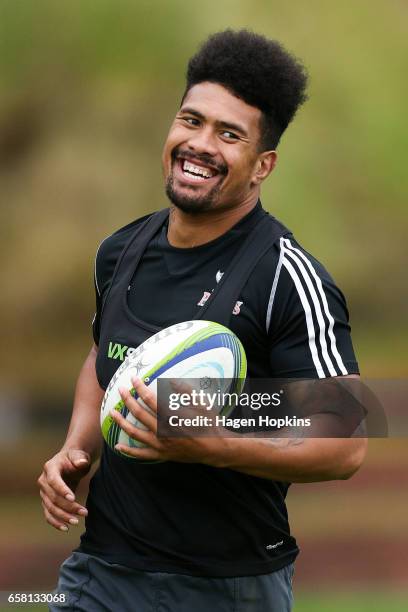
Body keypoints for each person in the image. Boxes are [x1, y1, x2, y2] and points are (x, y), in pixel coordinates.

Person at [38, 30, 367, 611]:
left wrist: (212, 443)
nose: (200, 144)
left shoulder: (287, 278)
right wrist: (76, 446)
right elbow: (105, 358)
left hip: (226, 587)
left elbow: (345, 445)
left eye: (229, 134)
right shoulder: (119, 251)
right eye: (191, 121)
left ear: (263, 165)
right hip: (102, 570)